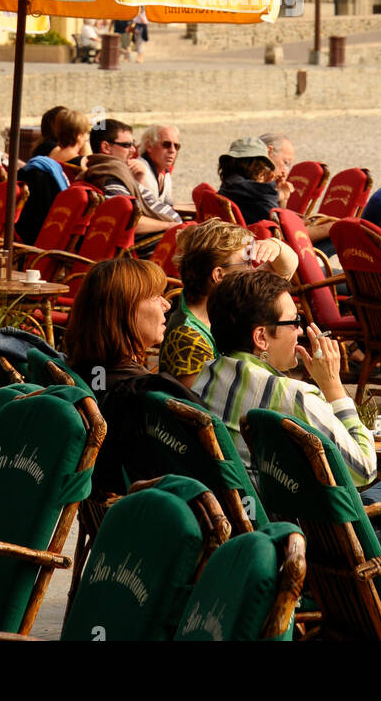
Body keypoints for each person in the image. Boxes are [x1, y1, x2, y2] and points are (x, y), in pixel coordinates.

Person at [195, 269, 381, 551]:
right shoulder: (293, 395)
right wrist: (333, 386)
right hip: (329, 547)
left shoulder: (204, 378)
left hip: (254, 533)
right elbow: (363, 469)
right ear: (261, 338)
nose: (299, 331)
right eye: (293, 322)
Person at [64, 256, 195, 495]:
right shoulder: (145, 394)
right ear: (126, 310)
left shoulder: (88, 371)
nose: (167, 306)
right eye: (156, 296)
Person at [159, 219, 299, 387]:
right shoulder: (187, 336)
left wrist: (275, 246)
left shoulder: (227, 299)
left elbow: (287, 267)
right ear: (219, 275)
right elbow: (199, 405)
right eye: (246, 262)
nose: (253, 269)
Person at [81, 119, 180, 235]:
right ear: (106, 147)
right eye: (127, 145)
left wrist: (139, 179)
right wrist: (169, 225)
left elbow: (141, 204)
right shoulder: (110, 176)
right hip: (157, 242)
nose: (133, 150)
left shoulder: (116, 172)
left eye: (133, 144)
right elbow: (125, 221)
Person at [16, 108, 91, 243]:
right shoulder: (82, 166)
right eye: (86, 134)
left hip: (29, 228)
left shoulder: (43, 159)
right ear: (80, 136)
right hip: (61, 231)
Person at [217, 137, 280, 224]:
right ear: (256, 166)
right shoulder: (261, 195)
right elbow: (279, 222)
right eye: (264, 167)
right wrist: (272, 189)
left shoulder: (227, 187)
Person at [137, 125, 180, 209]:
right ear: (149, 146)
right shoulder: (140, 170)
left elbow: (169, 206)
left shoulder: (165, 175)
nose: (172, 150)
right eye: (166, 144)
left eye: (176, 146)